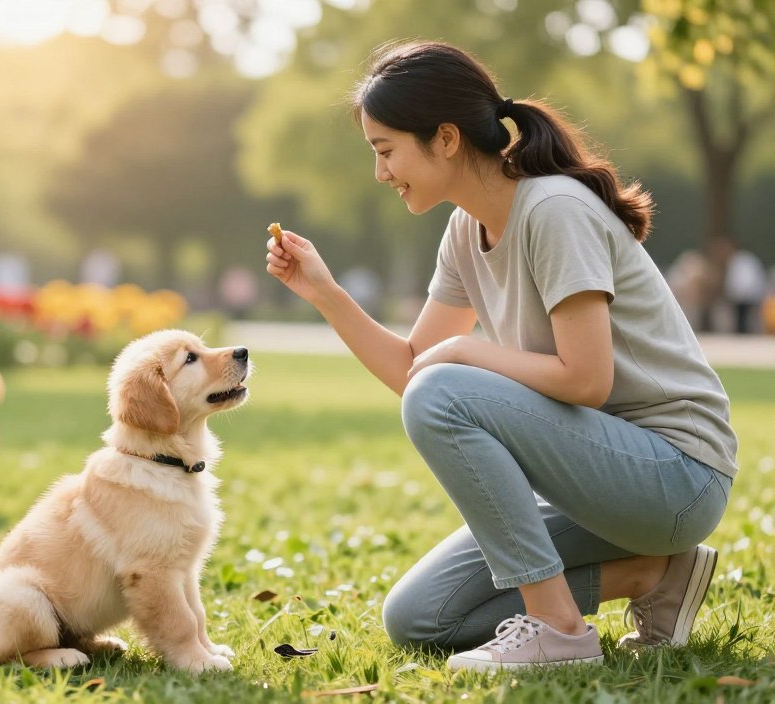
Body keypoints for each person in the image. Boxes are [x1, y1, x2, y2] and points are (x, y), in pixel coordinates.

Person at [265, 42, 737, 672]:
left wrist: (465, 351)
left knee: (445, 386)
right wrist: (325, 294)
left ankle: (557, 629)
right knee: (422, 618)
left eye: (386, 151)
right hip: (599, 479)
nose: (380, 172)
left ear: (447, 138)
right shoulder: (466, 228)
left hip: (675, 474)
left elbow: (586, 379)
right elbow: (415, 371)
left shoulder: (554, 210)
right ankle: (651, 575)